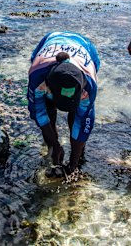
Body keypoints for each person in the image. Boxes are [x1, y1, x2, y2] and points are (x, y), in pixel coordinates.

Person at [27, 31, 100, 175]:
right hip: (50, 40)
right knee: (48, 109)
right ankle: (52, 148)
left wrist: (74, 163)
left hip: (84, 46)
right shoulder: (37, 79)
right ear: (48, 88)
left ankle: (77, 152)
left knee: (77, 115)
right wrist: (55, 144)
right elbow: (38, 113)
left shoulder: (89, 86)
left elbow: (85, 121)